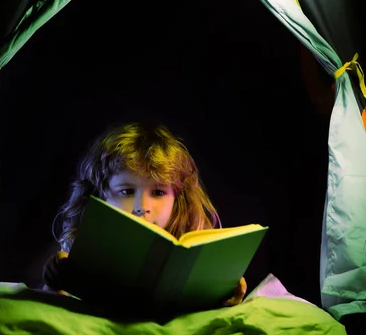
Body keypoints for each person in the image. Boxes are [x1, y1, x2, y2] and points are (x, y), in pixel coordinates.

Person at [42, 121, 247, 308]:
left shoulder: (192, 260)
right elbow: (54, 316)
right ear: (100, 196)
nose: (142, 207)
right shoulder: (81, 251)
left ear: (177, 200)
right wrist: (55, 283)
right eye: (127, 191)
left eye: (158, 193)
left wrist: (225, 293)